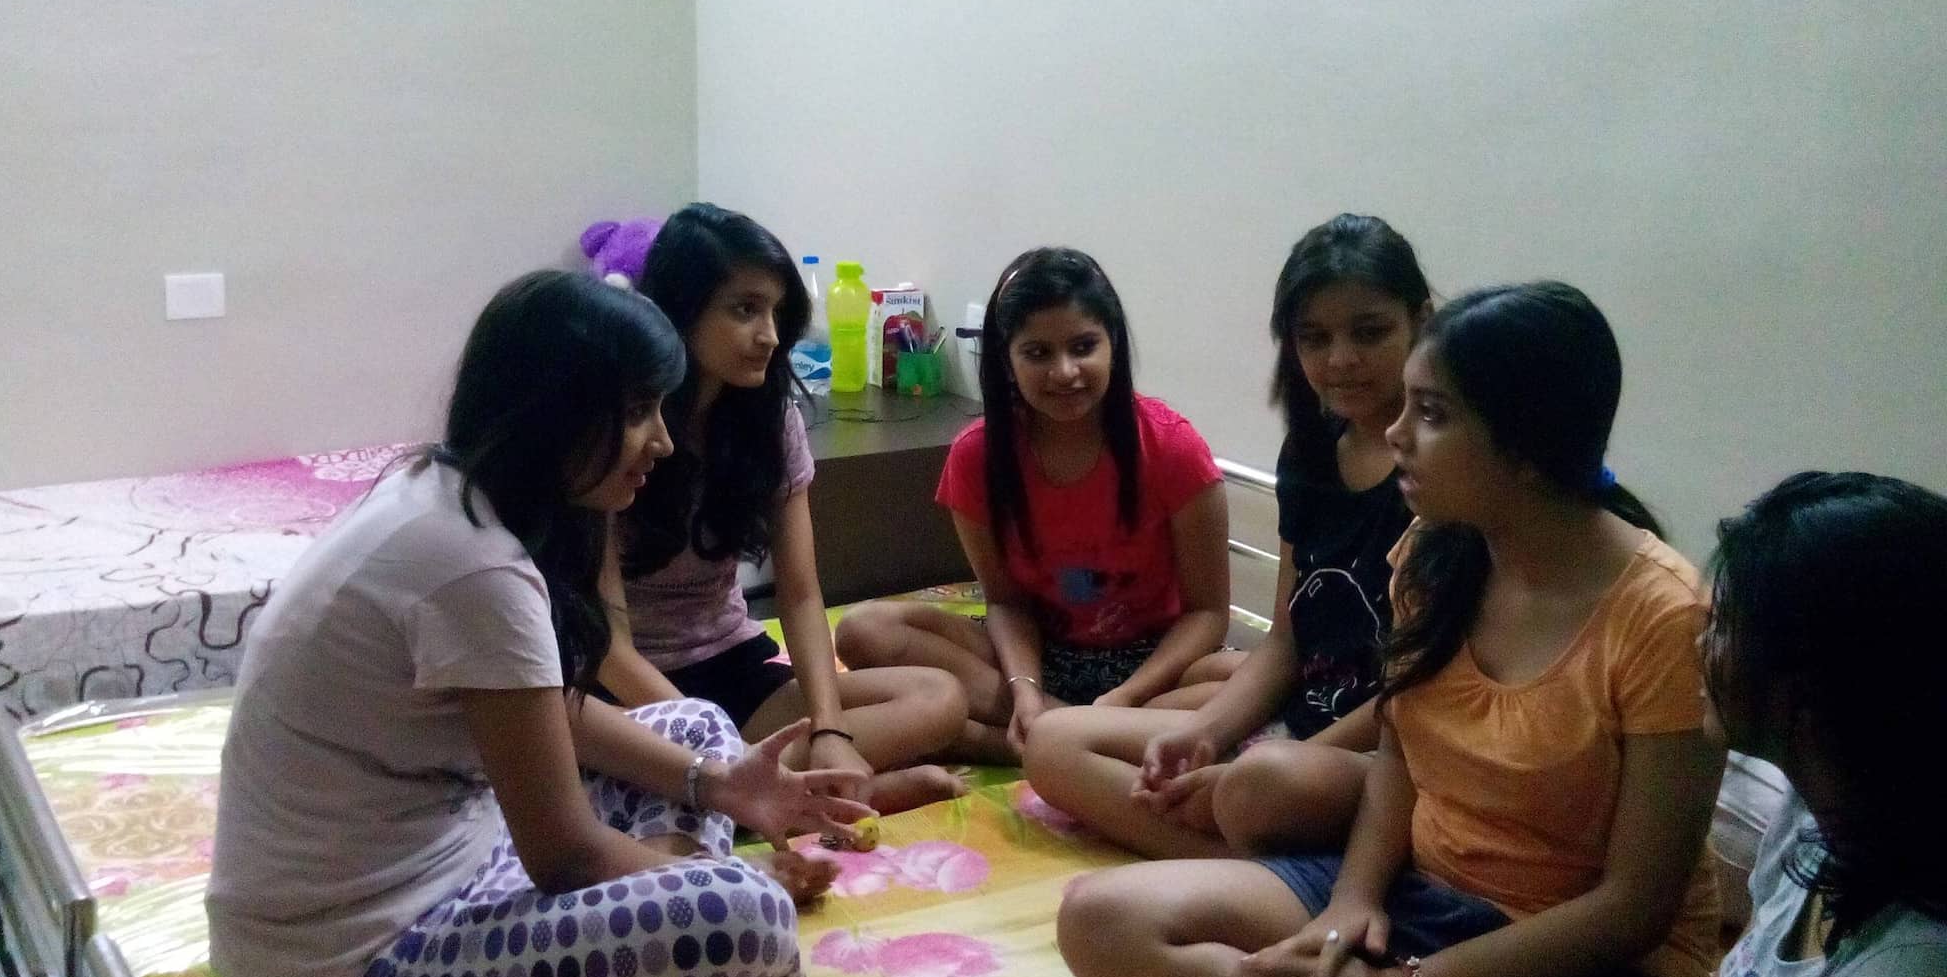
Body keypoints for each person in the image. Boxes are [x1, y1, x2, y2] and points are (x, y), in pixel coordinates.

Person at [1056, 281, 1725, 977]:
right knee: (1099, 920)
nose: (1397, 433)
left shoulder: (1664, 619)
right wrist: (1352, 904)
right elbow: (1401, 758)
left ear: (1528, 448)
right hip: (1421, 897)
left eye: (1432, 414)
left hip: (1576, 967)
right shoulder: (1436, 557)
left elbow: (1633, 909)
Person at [208, 271, 871, 977]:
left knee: (696, 727)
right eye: (639, 413)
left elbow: (548, 710)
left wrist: (722, 786)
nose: (663, 443)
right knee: (744, 916)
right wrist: (726, 886)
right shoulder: (472, 565)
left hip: (445, 863)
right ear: (558, 413)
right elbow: (564, 854)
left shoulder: (453, 499)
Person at [1299, 471, 1947, 977]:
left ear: (1809, 695)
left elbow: (1635, 915)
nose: (1697, 642)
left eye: (1724, 627)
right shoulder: (1818, 831)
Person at [1025, 214, 1429, 857]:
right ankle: (1232, 854)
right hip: (1301, 723)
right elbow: (1286, 638)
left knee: (1257, 781)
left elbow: (1422, 697)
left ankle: (1249, 858)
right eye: (1314, 337)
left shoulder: (1439, 474)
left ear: (1420, 322)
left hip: (1387, 754)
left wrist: (1280, 761)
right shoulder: (1311, 452)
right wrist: (1207, 737)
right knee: (1054, 742)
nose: (1340, 359)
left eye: (1370, 332)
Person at [602, 203, 967, 812]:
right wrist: (709, 750)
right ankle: (796, 794)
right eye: (744, 310)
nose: (769, 335)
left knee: (939, 697)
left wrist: (830, 730)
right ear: (681, 310)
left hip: (731, 665)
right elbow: (608, 647)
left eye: (775, 312)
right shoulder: (619, 427)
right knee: (598, 757)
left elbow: (798, 593)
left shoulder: (770, 422)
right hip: (628, 689)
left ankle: (785, 787)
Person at [837, 247, 1232, 762]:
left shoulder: (1172, 448)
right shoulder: (977, 457)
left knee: (1242, 678)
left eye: (1083, 347)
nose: (1065, 372)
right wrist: (1025, 690)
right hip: (1036, 658)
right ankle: (1063, 732)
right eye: (1038, 353)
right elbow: (1006, 602)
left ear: (1113, 343)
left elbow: (1207, 613)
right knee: (865, 631)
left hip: (1152, 666)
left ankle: (1017, 739)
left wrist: (1126, 697)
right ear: (1007, 359)